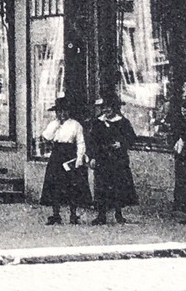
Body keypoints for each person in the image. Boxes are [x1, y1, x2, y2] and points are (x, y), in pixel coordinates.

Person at [39, 96, 92, 224]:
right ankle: (55, 214)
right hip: (57, 156)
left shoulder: (75, 125)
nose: (62, 114)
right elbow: (46, 136)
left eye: (64, 111)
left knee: (72, 185)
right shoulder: (54, 124)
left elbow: (80, 142)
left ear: (69, 111)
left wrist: (79, 158)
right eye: (59, 112)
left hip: (69, 155)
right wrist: (56, 125)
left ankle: (73, 215)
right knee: (54, 185)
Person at [87, 96, 139, 225]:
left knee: (118, 186)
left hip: (118, 160)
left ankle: (118, 213)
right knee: (101, 186)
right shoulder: (97, 123)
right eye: (104, 108)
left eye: (109, 107)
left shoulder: (123, 122)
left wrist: (121, 143)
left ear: (115, 108)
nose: (106, 110)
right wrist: (92, 157)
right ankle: (101, 215)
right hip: (102, 159)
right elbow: (91, 141)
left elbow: (132, 138)